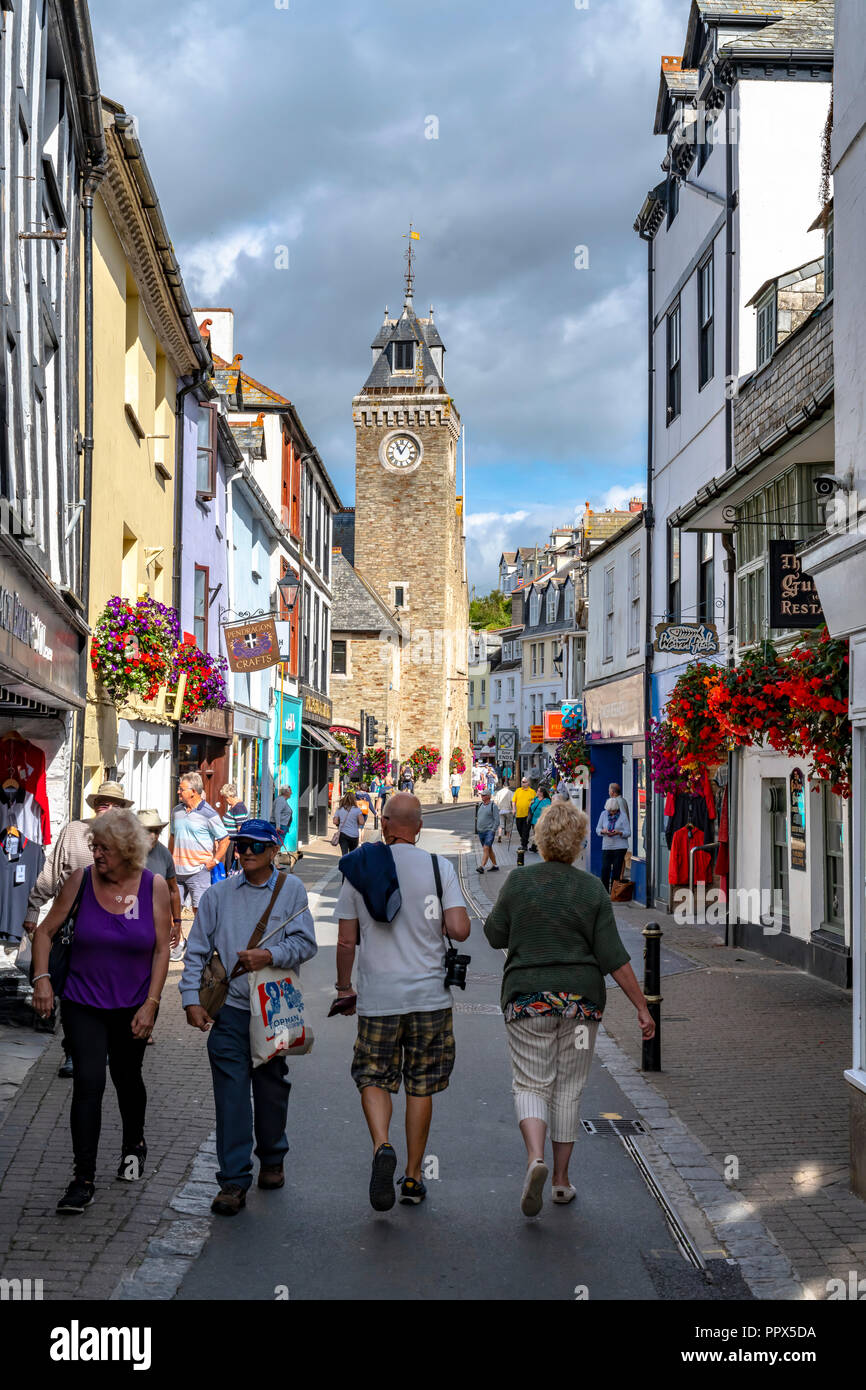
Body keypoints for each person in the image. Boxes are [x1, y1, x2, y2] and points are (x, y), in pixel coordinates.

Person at [483, 799, 654, 1217]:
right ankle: (560, 1182)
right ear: (579, 842)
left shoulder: (519, 881)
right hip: (580, 1004)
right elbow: (613, 956)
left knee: (530, 1084)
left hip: (528, 1000)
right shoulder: (592, 888)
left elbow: (492, 934)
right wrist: (642, 1008)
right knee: (568, 1089)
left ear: (539, 839)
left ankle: (534, 1159)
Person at [31, 809, 171, 1214]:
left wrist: (152, 1003)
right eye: (94, 847)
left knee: (127, 1080)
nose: (96, 854)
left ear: (127, 850)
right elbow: (45, 931)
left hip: (134, 1005)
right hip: (83, 1002)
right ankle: (83, 1178)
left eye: (103, 848)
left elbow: (162, 948)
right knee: (88, 1084)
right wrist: (42, 977)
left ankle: (134, 1144)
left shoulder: (153, 886)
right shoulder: (81, 880)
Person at [334, 793, 470, 1209]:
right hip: (429, 996)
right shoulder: (438, 867)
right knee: (421, 1083)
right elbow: (460, 929)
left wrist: (344, 988)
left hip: (379, 996)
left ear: (387, 824)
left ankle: (381, 1147)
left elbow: (345, 939)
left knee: (374, 1075)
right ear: (420, 827)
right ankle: (412, 1177)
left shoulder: (360, 869)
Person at [179, 820, 316, 1216]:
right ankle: (234, 1181)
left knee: (272, 1089)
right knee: (231, 1098)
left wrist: (270, 955)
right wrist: (191, 999)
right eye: (241, 844)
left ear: (275, 850)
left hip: (274, 1010)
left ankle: (272, 1156)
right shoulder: (218, 895)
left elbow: (306, 943)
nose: (247, 851)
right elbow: (197, 951)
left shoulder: (291, 890)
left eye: (257, 845)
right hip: (231, 1012)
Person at [23, 779, 135, 1079]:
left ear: (121, 810)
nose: (104, 804)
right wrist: (34, 908)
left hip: (114, 927)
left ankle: (106, 1044)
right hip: (73, 926)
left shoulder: (127, 840)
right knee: (73, 993)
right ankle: (73, 1050)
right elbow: (50, 874)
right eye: (100, 799)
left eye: (112, 802)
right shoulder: (74, 830)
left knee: (109, 989)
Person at [169, 774, 230, 961]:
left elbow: (224, 839)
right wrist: (168, 859)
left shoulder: (209, 813)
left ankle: (202, 947)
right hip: (176, 870)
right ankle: (178, 943)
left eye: (182, 789)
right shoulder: (176, 811)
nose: (178, 791)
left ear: (193, 792)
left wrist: (215, 860)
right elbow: (172, 836)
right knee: (172, 911)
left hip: (198, 871)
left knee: (200, 911)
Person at [138, 810, 183, 1041]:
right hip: (131, 925)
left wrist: (177, 921)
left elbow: (174, 889)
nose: (153, 836)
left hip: (157, 925)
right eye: (148, 831)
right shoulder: (127, 853)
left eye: (156, 831)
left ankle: (147, 1026)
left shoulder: (164, 854)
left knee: (155, 973)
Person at [596, 792, 631, 893]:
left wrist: (619, 832)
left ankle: (614, 892)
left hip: (620, 846)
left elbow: (628, 832)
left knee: (617, 869)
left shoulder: (623, 816)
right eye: (610, 810)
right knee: (605, 869)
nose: (611, 812)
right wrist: (604, 831)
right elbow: (597, 829)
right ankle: (604, 892)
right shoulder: (603, 814)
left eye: (614, 810)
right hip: (607, 846)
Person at [220, 784, 249, 874]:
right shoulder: (235, 806)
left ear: (230, 796)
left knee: (231, 868)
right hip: (230, 842)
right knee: (230, 867)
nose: (226, 800)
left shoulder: (238, 808)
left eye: (226, 797)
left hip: (234, 843)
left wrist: (237, 849)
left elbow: (241, 830)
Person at [475, 790, 500, 874]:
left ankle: (482, 866)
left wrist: (493, 830)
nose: (482, 796)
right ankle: (495, 865)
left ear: (488, 796)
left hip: (489, 831)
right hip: (481, 831)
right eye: (481, 795)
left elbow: (497, 820)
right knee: (488, 849)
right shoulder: (481, 805)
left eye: (484, 795)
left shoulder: (493, 806)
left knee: (486, 848)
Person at [334, 791, 364, 856]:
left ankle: (344, 865)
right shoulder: (357, 810)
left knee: (344, 854)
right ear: (354, 800)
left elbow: (335, 821)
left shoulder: (339, 809)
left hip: (343, 834)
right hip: (354, 835)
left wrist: (340, 822)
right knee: (352, 854)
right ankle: (351, 865)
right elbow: (362, 822)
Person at [512, 777, 537, 852]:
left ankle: (524, 845)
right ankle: (524, 842)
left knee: (525, 831)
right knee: (520, 830)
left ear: (528, 783)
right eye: (522, 782)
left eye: (525, 782)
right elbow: (514, 801)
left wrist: (532, 804)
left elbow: (535, 802)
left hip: (528, 815)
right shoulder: (518, 790)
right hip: (518, 814)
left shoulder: (532, 792)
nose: (523, 783)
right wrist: (513, 808)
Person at [528, 785, 552, 853]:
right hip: (535, 820)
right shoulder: (535, 799)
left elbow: (549, 809)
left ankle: (537, 846)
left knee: (541, 834)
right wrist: (530, 805)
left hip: (543, 820)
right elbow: (532, 809)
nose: (537, 792)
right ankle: (535, 847)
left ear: (542, 793)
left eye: (538, 791)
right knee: (536, 833)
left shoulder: (547, 800)